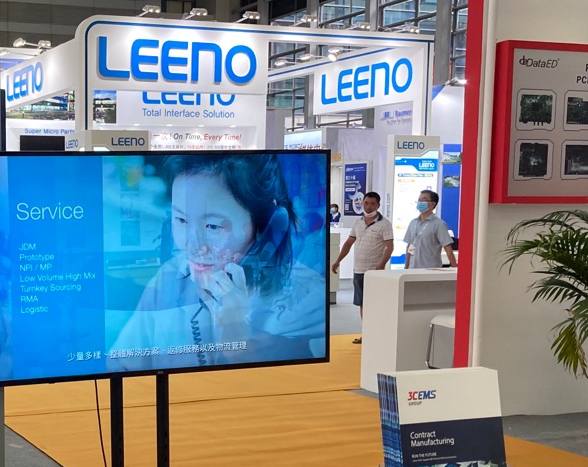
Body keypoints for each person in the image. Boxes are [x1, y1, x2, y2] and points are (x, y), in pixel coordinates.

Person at [110, 154, 325, 371]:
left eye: (213, 226)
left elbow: (300, 387)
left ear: (270, 226)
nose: (193, 246)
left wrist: (237, 337)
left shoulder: (308, 302)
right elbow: (120, 364)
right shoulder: (171, 278)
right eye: (181, 220)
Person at [331, 191, 393, 344]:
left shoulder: (385, 224)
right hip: (358, 270)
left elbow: (389, 247)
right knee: (362, 304)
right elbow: (348, 243)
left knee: (374, 304)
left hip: (374, 272)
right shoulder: (358, 222)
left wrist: (381, 265)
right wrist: (338, 261)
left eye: (372, 203)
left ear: (378, 205)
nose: (368, 206)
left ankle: (377, 335)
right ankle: (366, 334)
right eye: (366, 203)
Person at [403, 189, 457, 269]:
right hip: (412, 268)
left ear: (433, 204)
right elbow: (409, 246)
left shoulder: (439, 224)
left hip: (430, 269)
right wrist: (406, 266)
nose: (420, 202)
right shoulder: (413, 223)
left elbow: (447, 247)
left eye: (424, 200)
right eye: (419, 200)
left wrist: (454, 267)